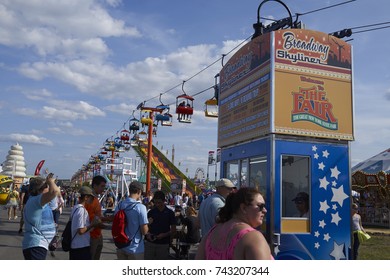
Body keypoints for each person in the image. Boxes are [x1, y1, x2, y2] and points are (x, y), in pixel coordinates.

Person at [195, 187, 272, 260]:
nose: (265, 210)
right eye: (260, 206)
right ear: (244, 208)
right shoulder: (253, 238)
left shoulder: (210, 235)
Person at [22, 174, 60, 260]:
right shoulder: (35, 201)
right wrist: (50, 181)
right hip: (36, 244)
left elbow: (54, 194)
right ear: (40, 190)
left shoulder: (38, 201)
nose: (48, 188)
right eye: (47, 187)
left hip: (39, 244)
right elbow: (54, 192)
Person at [114, 181, 149, 260]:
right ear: (139, 191)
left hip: (121, 245)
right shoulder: (140, 207)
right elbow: (144, 231)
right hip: (135, 248)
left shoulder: (120, 205)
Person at [69, 186, 99, 260]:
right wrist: (92, 224)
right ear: (86, 197)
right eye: (91, 197)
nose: (92, 200)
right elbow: (81, 230)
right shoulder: (82, 210)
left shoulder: (75, 208)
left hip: (75, 245)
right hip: (81, 246)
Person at [144, 190, 176, 260]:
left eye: (159, 202)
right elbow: (145, 227)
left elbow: (173, 229)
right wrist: (148, 234)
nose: (157, 204)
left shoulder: (170, 213)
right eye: (155, 203)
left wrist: (164, 235)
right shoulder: (151, 212)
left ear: (164, 201)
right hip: (150, 243)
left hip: (163, 244)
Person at [85, 175, 110, 260]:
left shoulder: (95, 198)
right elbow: (90, 218)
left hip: (97, 234)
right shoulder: (91, 199)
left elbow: (96, 216)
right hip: (91, 235)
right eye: (102, 186)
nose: (103, 189)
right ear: (95, 185)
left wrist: (107, 219)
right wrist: (104, 223)